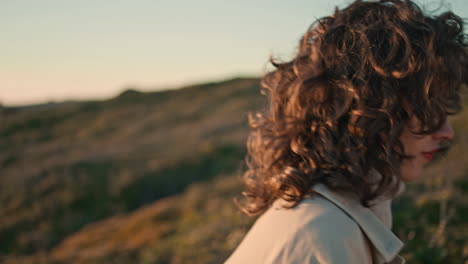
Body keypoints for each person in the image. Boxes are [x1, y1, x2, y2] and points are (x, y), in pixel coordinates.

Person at [225, 0, 467, 263]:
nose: (446, 132)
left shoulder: (330, 220)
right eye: (429, 109)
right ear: (369, 107)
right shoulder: (324, 237)